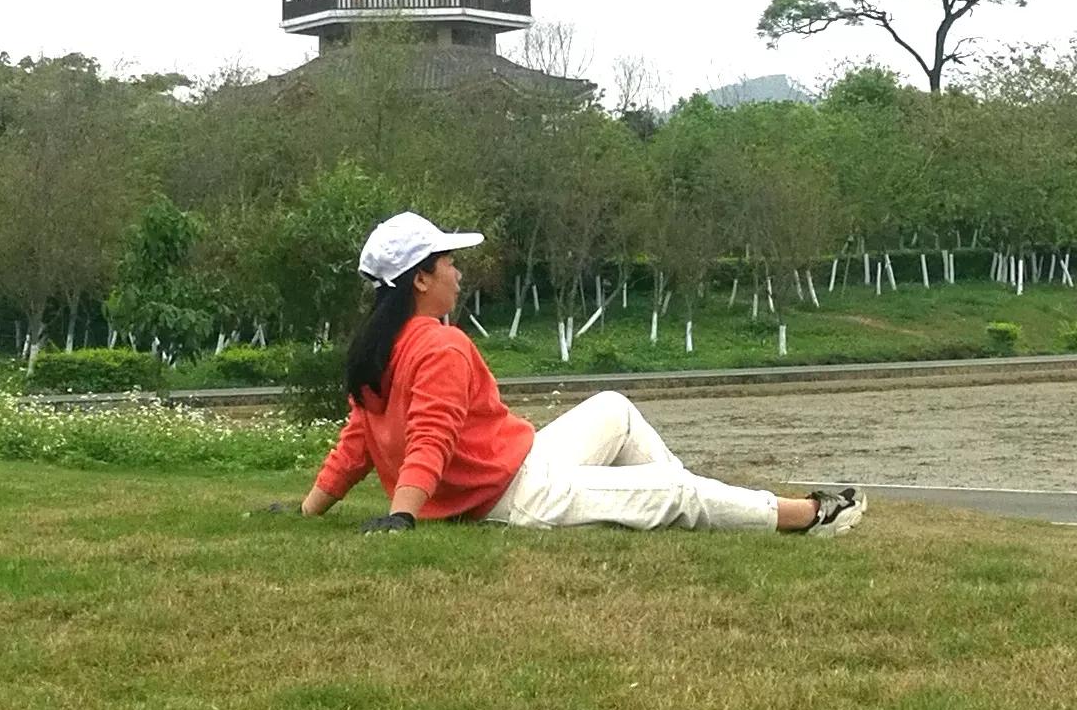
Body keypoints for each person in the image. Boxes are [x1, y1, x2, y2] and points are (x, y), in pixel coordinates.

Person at [298, 212, 867, 537]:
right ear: (421, 280)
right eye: (448, 263)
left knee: (614, 409)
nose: (458, 273)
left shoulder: (383, 345)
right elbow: (428, 438)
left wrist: (310, 509)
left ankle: (700, 508)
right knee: (669, 490)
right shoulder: (439, 346)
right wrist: (402, 517)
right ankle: (810, 516)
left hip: (519, 463)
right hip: (511, 496)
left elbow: (360, 439)